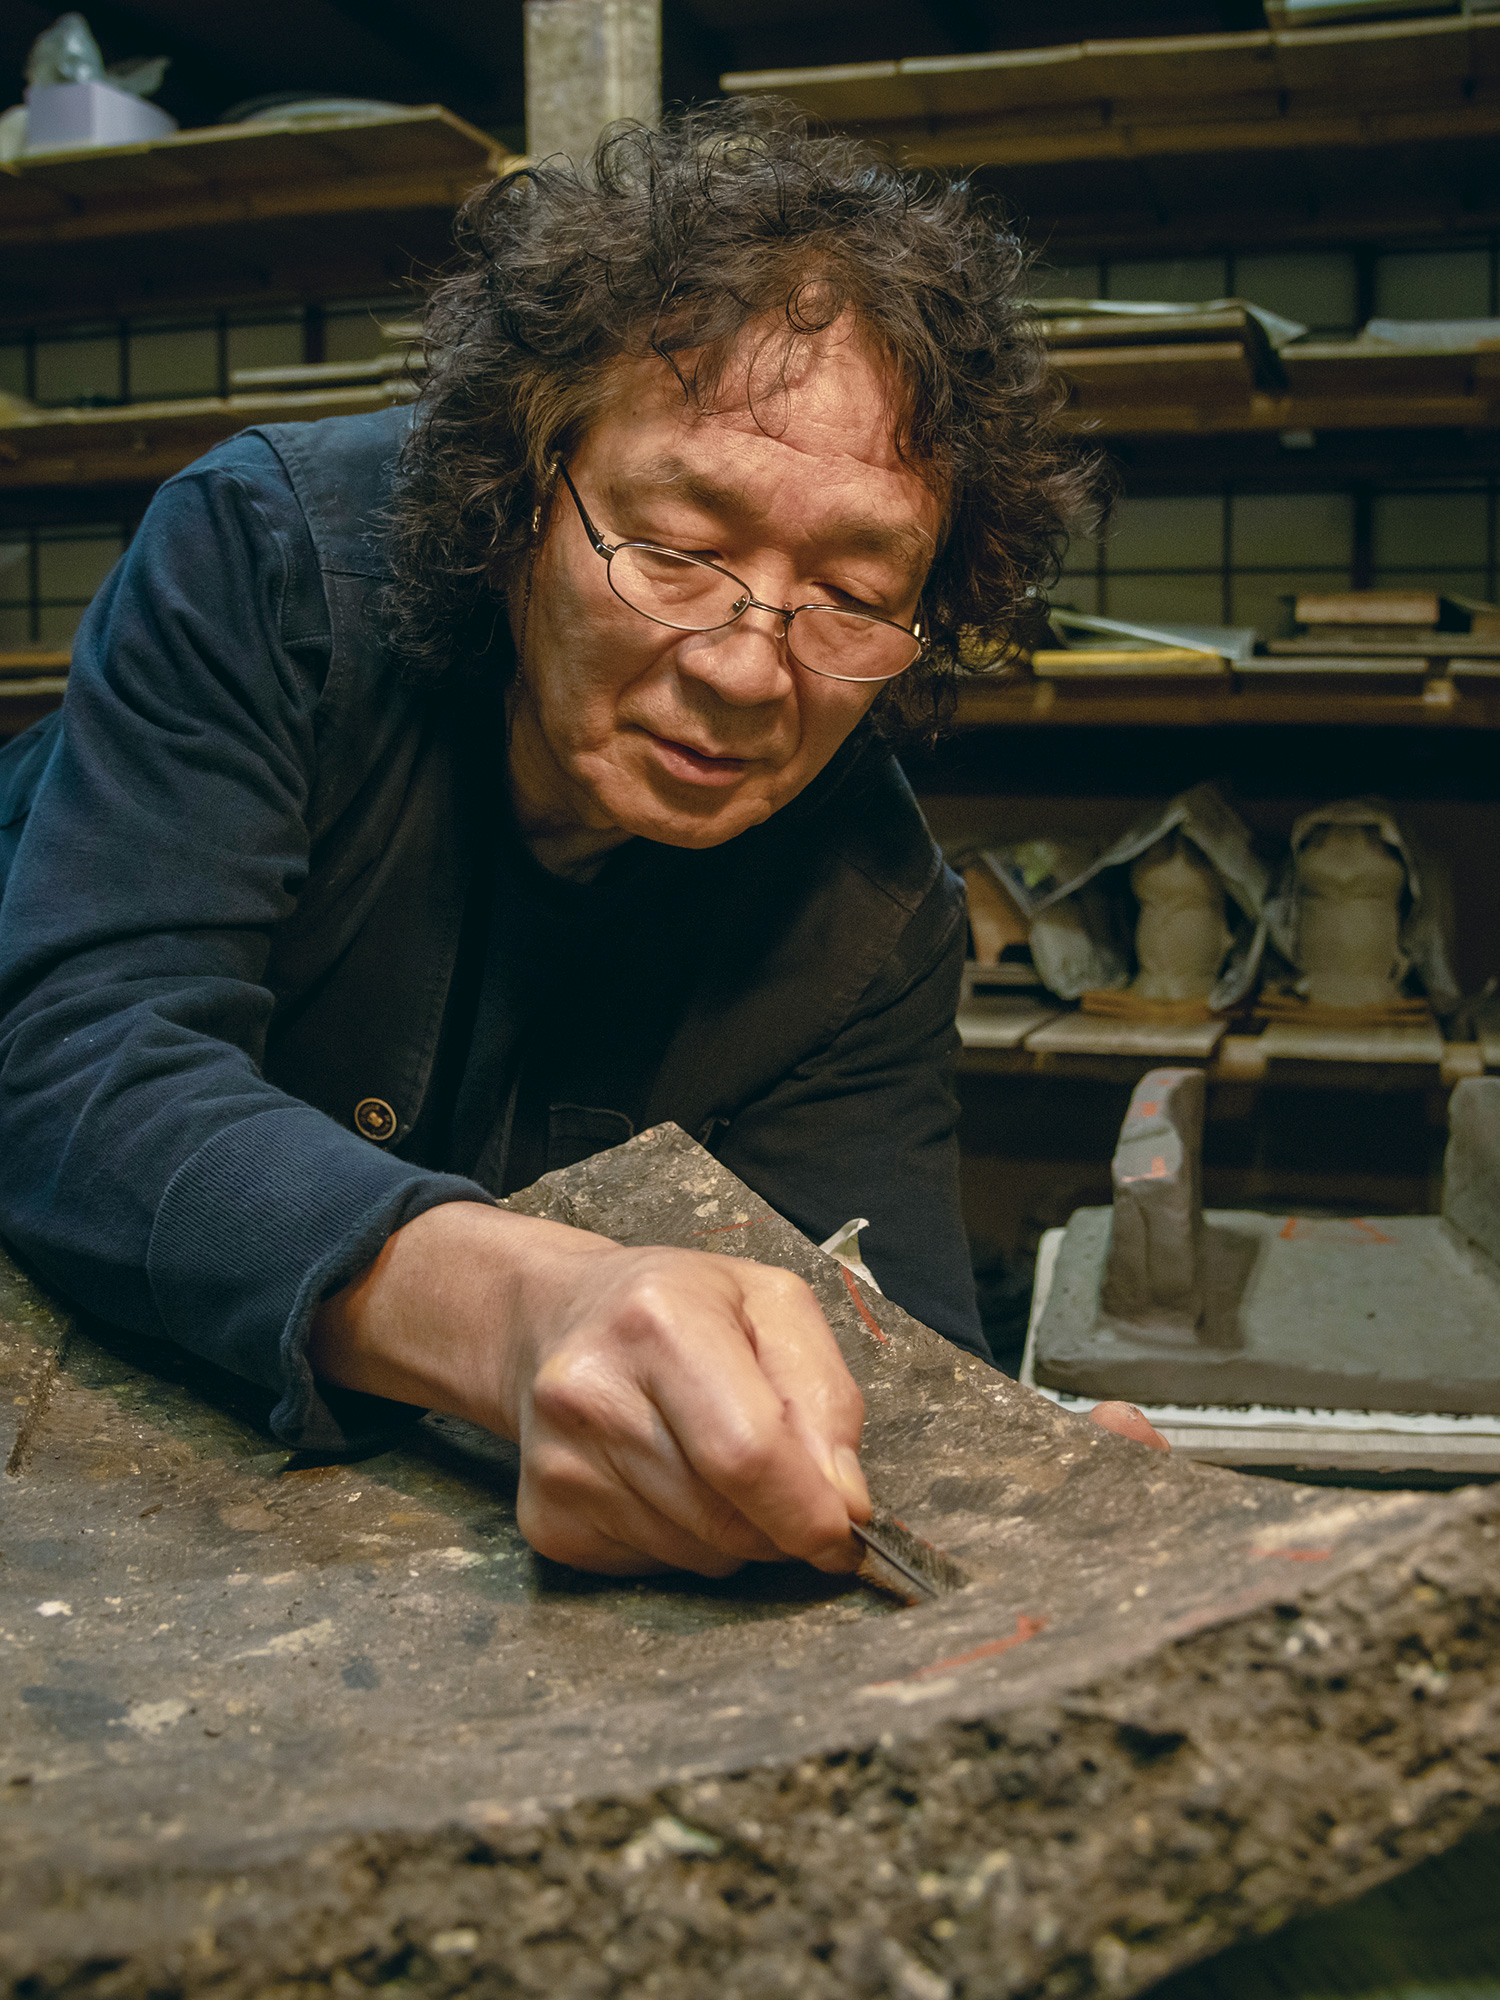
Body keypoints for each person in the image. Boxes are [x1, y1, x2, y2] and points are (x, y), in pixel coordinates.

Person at [0, 104, 1152, 1586]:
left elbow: (880, 1340)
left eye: (855, 596)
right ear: (527, 488)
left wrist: (981, 1470)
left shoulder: (870, 921)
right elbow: (79, 1062)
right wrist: (520, 1308)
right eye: (678, 550)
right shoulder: (265, 563)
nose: (748, 670)